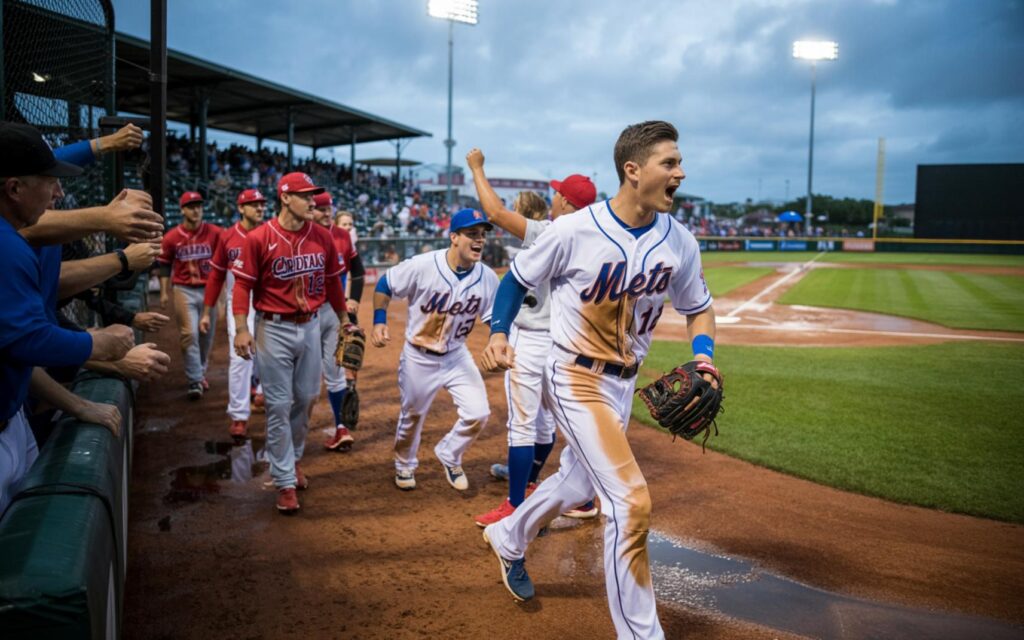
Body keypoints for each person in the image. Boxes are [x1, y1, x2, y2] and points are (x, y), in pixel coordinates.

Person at [478, 121, 718, 639]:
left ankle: (509, 535)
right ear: (633, 171)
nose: (681, 171)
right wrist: (499, 333)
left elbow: (699, 309)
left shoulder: (679, 241)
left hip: (624, 383)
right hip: (572, 376)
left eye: (679, 162)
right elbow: (516, 280)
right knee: (629, 502)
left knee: (580, 480)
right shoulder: (574, 230)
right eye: (670, 163)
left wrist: (705, 359)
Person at [0, 122, 135, 512]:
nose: (59, 192)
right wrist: (98, 343)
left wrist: (102, 144)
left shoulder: (13, 234)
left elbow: (15, 350)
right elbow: (28, 340)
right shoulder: (7, 246)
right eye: (50, 182)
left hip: (13, 419)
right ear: (13, 189)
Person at [466, 149, 600, 528]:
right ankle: (581, 496)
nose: (553, 196)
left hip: (532, 339)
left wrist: (477, 168)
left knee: (523, 425)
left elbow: (493, 213)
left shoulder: (551, 232)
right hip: (569, 344)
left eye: (558, 193)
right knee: (565, 423)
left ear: (565, 202)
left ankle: (514, 506)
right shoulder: (593, 241)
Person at [230, 172, 349, 515]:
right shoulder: (259, 238)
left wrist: (344, 320)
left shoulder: (322, 237)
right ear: (285, 198)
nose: (313, 201)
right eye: (306, 196)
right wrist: (241, 327)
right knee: (279, 405)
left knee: (308, 398)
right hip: (273, 328)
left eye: (314, 196)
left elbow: (333, 284)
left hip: (311, 325)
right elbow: (242, 287)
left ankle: (293, 459)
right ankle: (283, 480)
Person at [371, 208, 499, 492]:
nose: (480, 240)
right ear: (454, 237)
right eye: (472, 234)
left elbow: (493, 318)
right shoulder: (423, 265)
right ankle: (404, 465)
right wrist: (379, 320)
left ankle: (450, 453)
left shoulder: (487, 277)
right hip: (419, 356)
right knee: (412, 415)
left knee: (478, 412)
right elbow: (385, 284)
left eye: (482, 235)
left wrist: (499, 340)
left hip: (456, 355)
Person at [199, 188, 267, 438]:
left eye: (262, 204)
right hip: (238, 303)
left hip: (268, 300)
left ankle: (260, 390)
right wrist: (207, 312)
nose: (259, 208)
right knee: (240, 356)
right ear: (241, 208)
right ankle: (239, 415)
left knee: (267, 352)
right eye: (253, 204)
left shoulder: (270, 232)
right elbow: (216, 276)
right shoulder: (228, 237)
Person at [310, 191, 365, 451]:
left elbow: (358, 270)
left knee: (334, 371)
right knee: (305, 379)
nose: (326, 212)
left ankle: (341, 427)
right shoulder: (302, 234)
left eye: (328, 207)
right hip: (304, 314)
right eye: (321, 208)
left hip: (333, 311)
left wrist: (352, 300)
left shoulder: (342, 236)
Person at [157, 191, 223, 400]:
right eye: (191, 206)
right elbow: (165, 265)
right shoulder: (172, 237)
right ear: (182, 210)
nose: (196, 210)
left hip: (209, 289)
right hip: (183, 289)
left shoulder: (215, 233)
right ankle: (194, 379)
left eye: (199, 206)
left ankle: (200, 371)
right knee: (189, 334)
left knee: (206, 336)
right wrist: (163, 292)